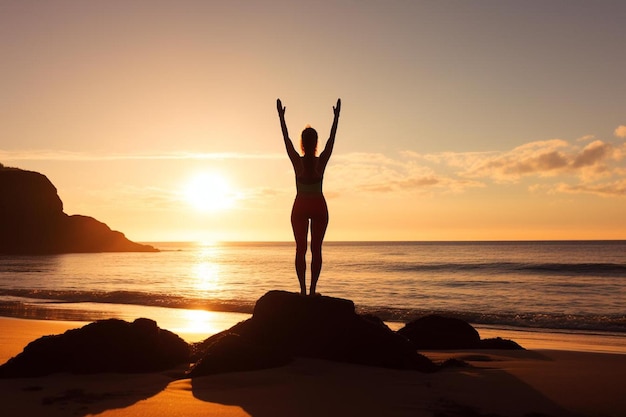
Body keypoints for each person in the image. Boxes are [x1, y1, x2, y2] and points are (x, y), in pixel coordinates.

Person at [277, 98, 341, 295]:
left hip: (301, 206)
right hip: (319, 206)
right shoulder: (321, 161)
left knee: (300, 250)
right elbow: (331, 140)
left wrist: (281, 118)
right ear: (315, 143)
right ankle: (312, 291)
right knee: (316, 250)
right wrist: (336, 118)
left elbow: (286, 140)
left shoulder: (298, 162)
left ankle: (303, 291)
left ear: (303, 143)